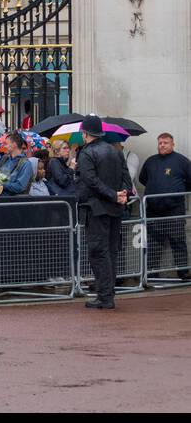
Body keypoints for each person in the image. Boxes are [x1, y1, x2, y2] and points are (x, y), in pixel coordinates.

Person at [76, 114, 133, 309]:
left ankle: (105, 296)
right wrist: (123, 194)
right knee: (110, 252)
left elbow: (91, 181)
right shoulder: (115, 150)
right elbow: (126, 177)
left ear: (85, 134)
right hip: (114, 208)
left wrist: (113, 195)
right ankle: (107, 294)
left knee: (99, 252)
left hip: (97, 208)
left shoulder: (86, 153)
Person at [139, 132, 191, 281]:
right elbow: (143, 179)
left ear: (172, 144)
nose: (162, 145)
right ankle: (152, 273)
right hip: (153, 211)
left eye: (165, 143)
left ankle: (183, 272)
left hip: (174, 210)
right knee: (154, 243)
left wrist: (176, 192)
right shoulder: (150, 161)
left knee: (178, 241)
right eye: (160, 143)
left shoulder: (182, 161)